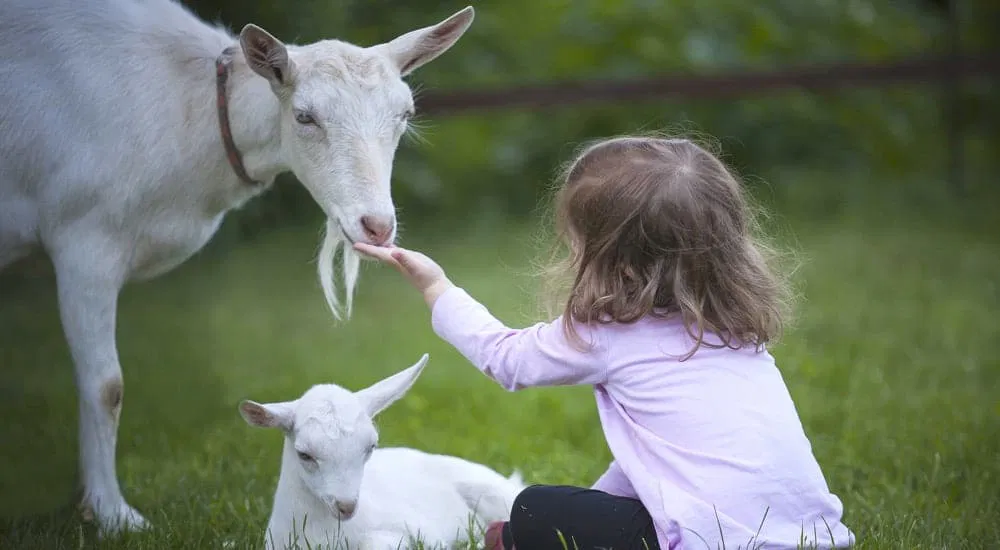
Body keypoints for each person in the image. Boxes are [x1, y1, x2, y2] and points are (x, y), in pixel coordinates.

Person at [354, 135, 855, 550]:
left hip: (710, 541)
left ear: (619, 263)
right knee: (561, 512)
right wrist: (593, 505)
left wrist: (436, 287)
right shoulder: (736, 332)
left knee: (531, 509)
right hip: (812, 537)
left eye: (577, 242)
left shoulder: (608, 333)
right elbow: (653, 456)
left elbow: (504, 358)